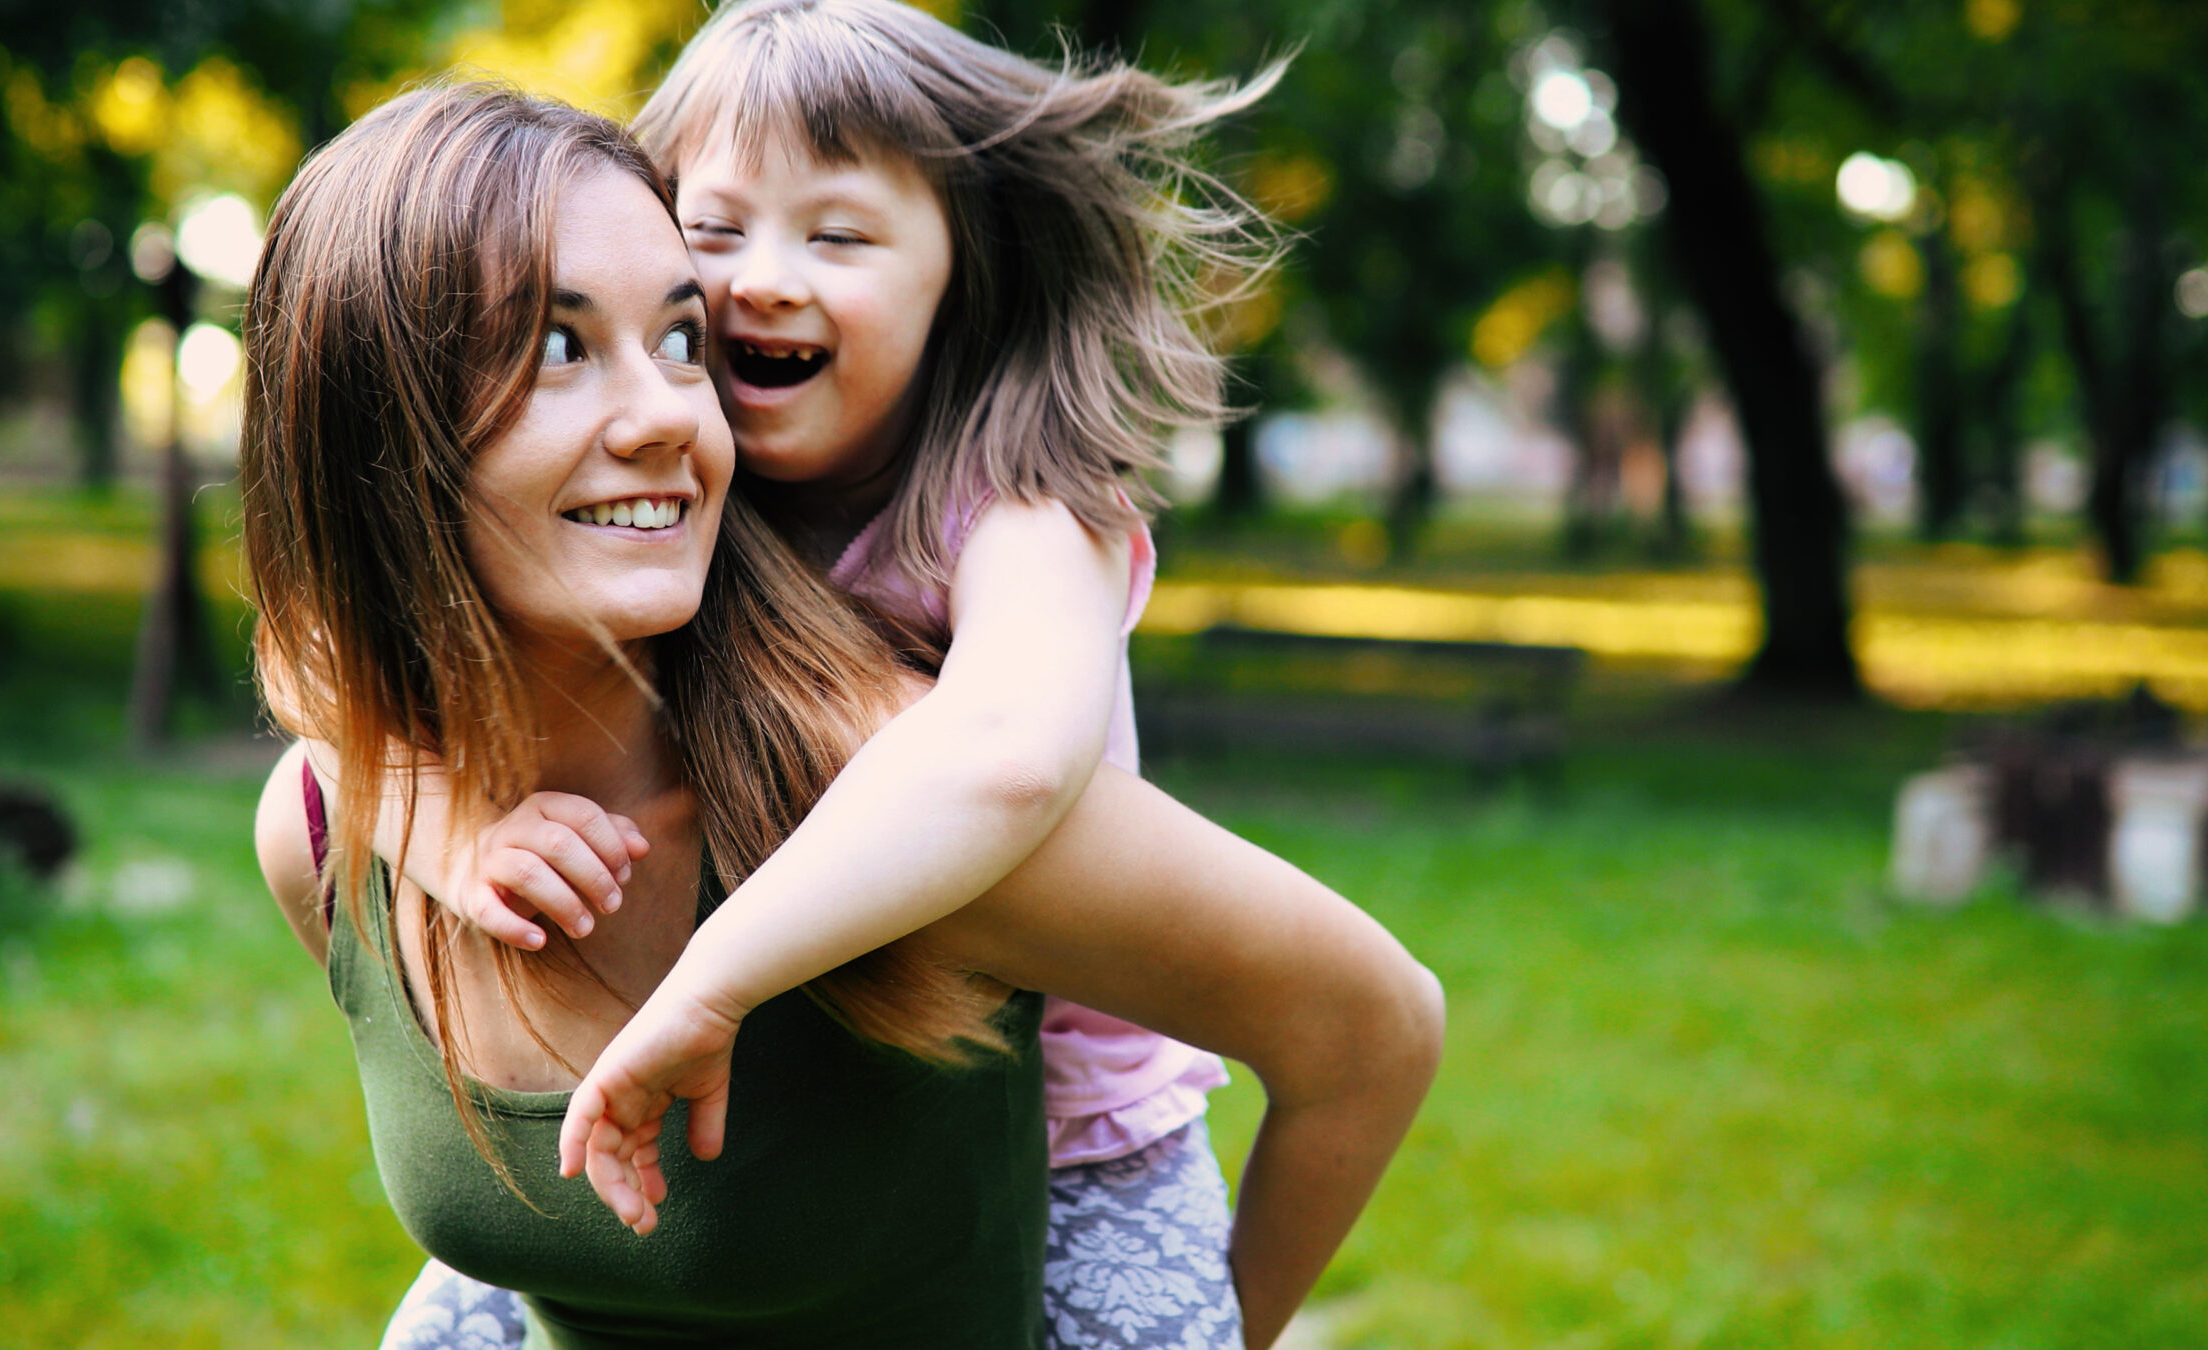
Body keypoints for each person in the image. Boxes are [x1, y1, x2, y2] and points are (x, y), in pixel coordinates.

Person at [246, 83, 1441, 1349]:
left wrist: (1197, 1326)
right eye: (557, 347)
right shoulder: (335, 828)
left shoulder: (897, 808)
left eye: (682, 339)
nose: (671, 414)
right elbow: (313, 657)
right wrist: (428, 814)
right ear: (359, 418)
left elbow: (1368, 1030)